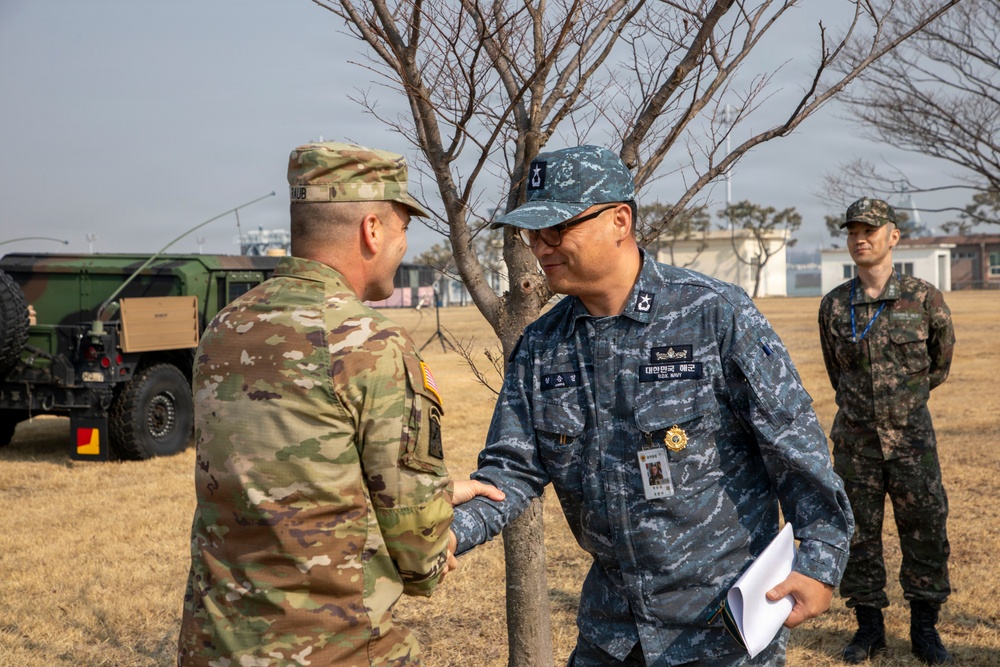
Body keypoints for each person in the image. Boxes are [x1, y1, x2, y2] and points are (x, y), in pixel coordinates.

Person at [449, 145, 854, 666]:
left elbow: (795, 449)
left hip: (723, 628)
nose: (539, 247)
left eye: (557, 229)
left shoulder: (713, 315)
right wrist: (449, 533)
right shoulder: (541, 346)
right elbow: (510, 471)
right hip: (613, 632)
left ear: (620, 220)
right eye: (531, 233)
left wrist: (820, 563)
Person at [177, 141, 502, 667]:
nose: (402, 246)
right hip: (334, 650)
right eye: (403, 229)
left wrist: (439, 489)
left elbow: (291, 480)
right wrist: (434, 525)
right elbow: (418, 557)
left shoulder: (225, 328)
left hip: (216, 645)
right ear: (372, 230)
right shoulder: (368, 343)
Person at [819, 198, 955, 665]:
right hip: (856, 443)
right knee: (858, 533)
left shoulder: (925, 298)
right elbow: (837, 374)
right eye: (853, 231)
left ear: (893, 237)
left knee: (925, 530)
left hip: (913, 441)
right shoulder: (834, 305)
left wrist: (903, 403)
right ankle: (868, 628)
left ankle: (925, 629)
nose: (860, 238)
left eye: (870, 231)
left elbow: (940, 364)